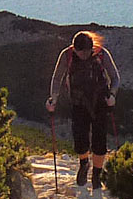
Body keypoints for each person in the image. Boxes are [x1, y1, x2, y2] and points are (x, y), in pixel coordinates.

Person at [46, 30, 120, 190]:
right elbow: (57, 78)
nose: (84, 55)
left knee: (99, 141)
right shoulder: (67, 55)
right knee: (80, 139)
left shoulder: (102, 54)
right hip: (78, 102)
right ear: (75, 48)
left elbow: (115, 77)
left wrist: (112, 95)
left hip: (101, 102)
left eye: (87, 52)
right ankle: (84, 163)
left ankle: (97, 174)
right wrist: (53, 98)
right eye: (81, 52)